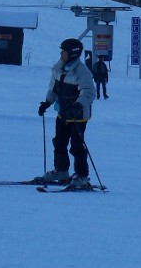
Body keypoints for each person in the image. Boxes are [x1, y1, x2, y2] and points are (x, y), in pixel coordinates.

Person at [36, 38, 96, 188]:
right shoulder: (58, 68)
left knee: (76, 145)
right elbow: (53, 89)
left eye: (64, 51)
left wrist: (78, 106)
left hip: (78, 116)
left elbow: (88, 93)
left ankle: (82, 175)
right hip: (63, 113)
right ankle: (61, 171)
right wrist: (47, 102)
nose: (61, 53)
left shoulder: (82, 72)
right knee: (59, 142)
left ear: (73, 54)